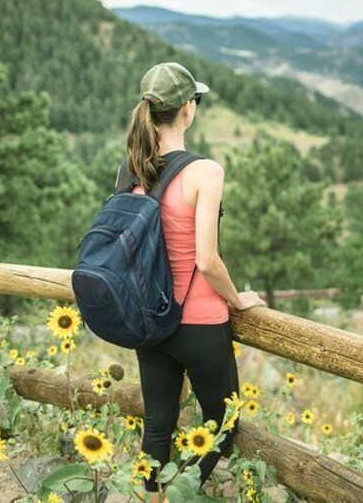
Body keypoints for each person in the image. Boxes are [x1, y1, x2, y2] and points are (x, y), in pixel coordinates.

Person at [123, 62, 265, 500]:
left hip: (149, 320)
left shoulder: (130, 170)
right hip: (200, 321)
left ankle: (154, 496)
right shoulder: (205, 171)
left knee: (158, 422)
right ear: (188, 109)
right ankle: (184, 491)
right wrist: (238, 300)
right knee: (225, 421)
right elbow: (207, 259)